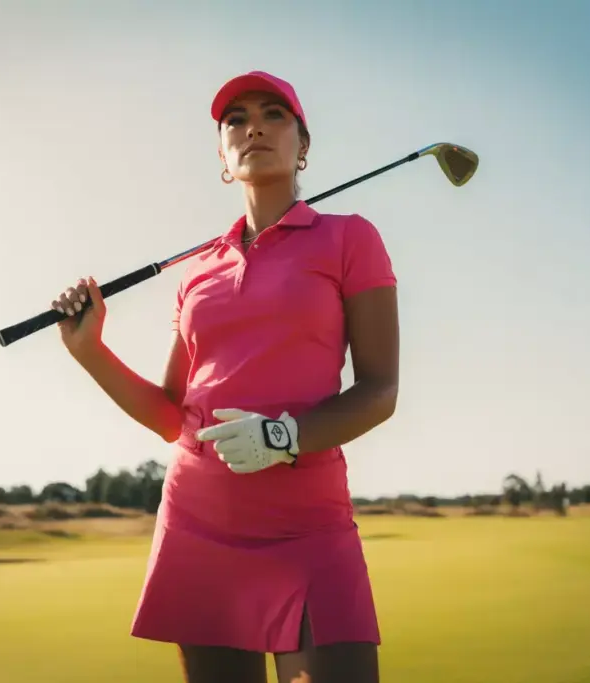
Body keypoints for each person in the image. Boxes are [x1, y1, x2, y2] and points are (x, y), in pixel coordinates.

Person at [51, 70, 399, 683]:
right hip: (199, 522)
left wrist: (282, 437)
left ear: (304, 145)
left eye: (274, 114)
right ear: (221, 154)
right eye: (235, 120)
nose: (254, 127)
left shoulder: (350, 238)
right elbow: (169, 413)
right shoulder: (196, 271)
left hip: (308, 523)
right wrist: (91, 352)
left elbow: (380, 391)